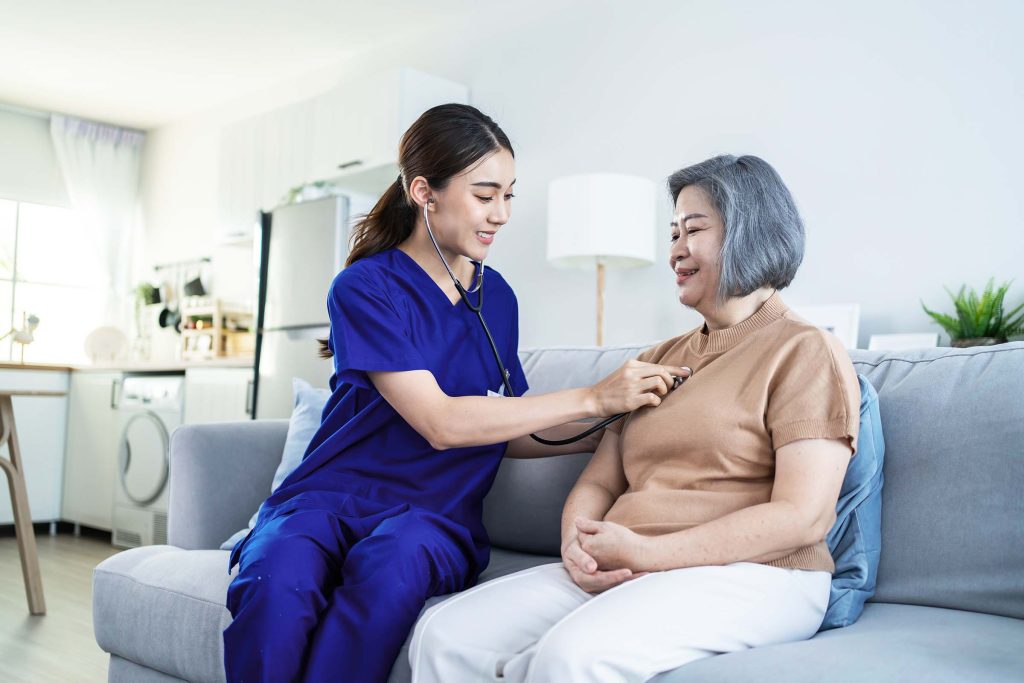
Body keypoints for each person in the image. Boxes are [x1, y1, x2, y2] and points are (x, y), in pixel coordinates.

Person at [222, 103, 688, 683]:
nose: (502, 214)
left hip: (432, 517)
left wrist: (620, 423)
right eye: (485, 194)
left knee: (390, 568)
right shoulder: (364, 287)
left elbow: (516, 429)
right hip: (331, 496)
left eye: (509, 196)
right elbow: (440, 422)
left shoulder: (500, 299)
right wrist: (593, 396)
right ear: (425, 191)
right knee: (277, 578)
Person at [410, 154, 862, 683]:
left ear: (750, 233)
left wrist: (651, 553)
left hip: (758, 574)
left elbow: (802, 517)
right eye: (672, 232)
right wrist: (576, 543)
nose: (674, 250)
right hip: (629, 563)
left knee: (572, 658)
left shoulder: (806, 351)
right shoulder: (657, 359)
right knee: (446, 635)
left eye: (693, 230)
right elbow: (602, 478)